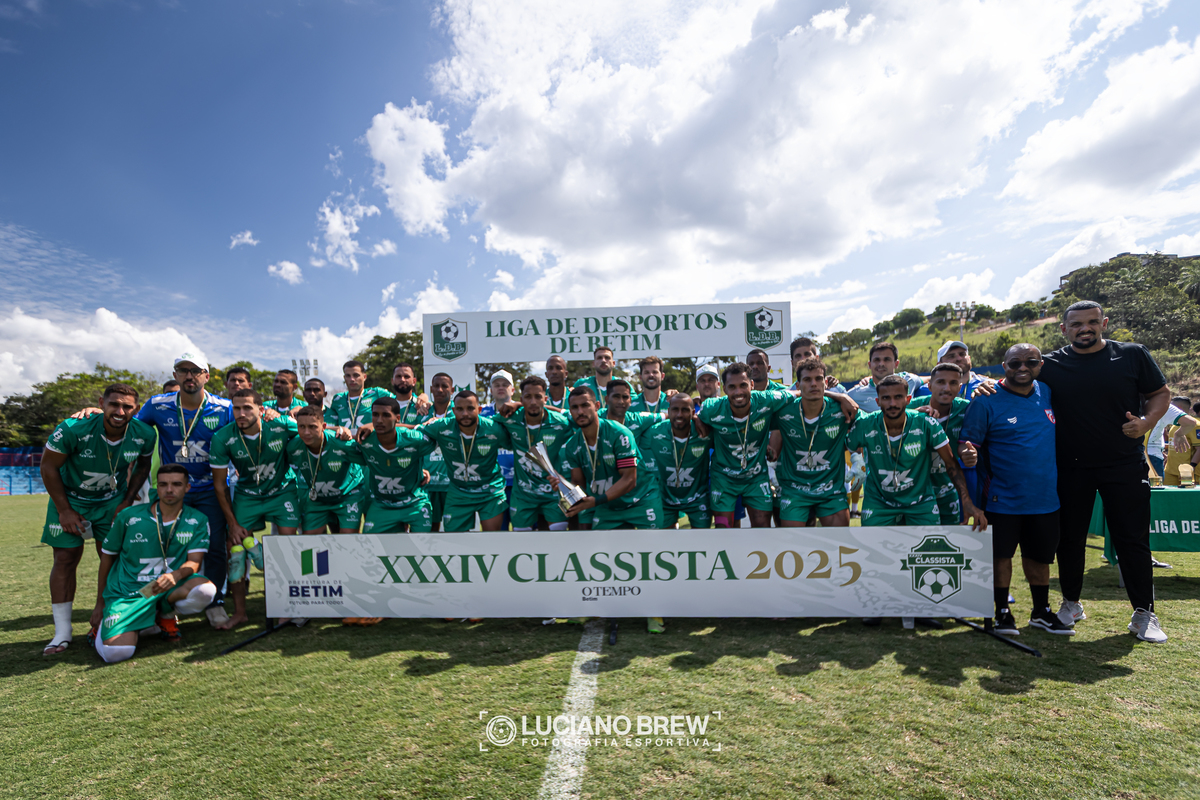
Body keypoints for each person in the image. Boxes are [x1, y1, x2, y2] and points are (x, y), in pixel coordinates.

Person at [1037, 301, 1171, 643]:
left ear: (1104, 323)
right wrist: (987, 386)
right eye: (1077, 324)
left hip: (1124, 465)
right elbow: (1015, 381)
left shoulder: (1132, 355)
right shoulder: (1049, 365)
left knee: (1132, 540)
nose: (1085, 328)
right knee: (1070, 539)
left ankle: (1144, 614)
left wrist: (1146, 422)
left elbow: (1159, 393)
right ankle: (1071, 604)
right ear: (1064, 329)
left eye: (1092, 322)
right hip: (1070, 467)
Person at [846, 374, 987, 628]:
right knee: (875, 552)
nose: (892, 403)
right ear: (877, 401)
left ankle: (923, 607)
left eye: (898, 397)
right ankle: (877, 605)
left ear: (908, 399)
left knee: (928, 553)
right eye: (886, 398)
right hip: (879, 500)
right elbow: (843, 447)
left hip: (920, 499)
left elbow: (951, 464)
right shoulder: (865, 425)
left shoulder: (925, 423)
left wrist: (966, 500)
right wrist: (856, 462)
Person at [960, 344, 1073, 635]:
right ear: (1004, 366)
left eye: (1030, 362)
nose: (1022, 368)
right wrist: (967, 453)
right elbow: (968, 443)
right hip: (1001, 498)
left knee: (1040, 557)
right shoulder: (985, 399)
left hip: (1045, 498)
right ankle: (1002, 612)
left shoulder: (1047, 392)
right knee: (1001, 557)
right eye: (1015, 363)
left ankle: (1041, 611)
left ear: (1040, 365)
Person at [39, 384, 156, 655]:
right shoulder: (73, 428)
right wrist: (64, 510)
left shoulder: (144, 433)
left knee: (112, 558)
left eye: (127, 406)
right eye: (114, 404)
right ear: (102, 403)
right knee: (65, 558)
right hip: (70, 500)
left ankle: (109, 617)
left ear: (136, 410)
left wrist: (126, 501)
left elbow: (143, 466)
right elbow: (48, 466)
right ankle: (62, 632)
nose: (120, 411)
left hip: (110, 502)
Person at [558, 385, 665, 632]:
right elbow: (579, 483)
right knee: (599, 555)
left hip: (641, 499)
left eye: (585, 405)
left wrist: (595, 501)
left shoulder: (619, 433)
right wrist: (565, 490)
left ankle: (654, 610)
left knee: (651, 554)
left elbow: (630, 480)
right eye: (574, 407)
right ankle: (592, 605)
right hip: (607, 503)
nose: (580, 411)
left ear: (597, 406)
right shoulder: (572, 446)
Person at [90, 465, 216, 663]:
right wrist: (100, 603)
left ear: (187, 488)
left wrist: (175, 575)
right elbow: (107, 557)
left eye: (176, 484)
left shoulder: (197, 519)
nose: (169, 490)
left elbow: (194, 562)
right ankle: (105, 627)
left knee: (205, 591)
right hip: (131, 591)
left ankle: (163, 614)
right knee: (117, 653)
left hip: (165, 586)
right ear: (157, 488)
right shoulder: (129, 516)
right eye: (163, 484)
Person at [209, 389, 301, 630]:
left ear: (261, 410)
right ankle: (240, 613)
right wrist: (232, 523)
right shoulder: (222, 437)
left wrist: (340, 430)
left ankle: (288, 606)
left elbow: (315, 430)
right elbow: (219, 485)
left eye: (247, 408)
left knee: (287, 547)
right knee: (235, 550)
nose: (241, 413)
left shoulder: (280, 425)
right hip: (247, 496)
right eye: (236, 408)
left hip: (282, 492)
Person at [693, 363, 792, 528]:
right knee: (724, 528)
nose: (738, 392)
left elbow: (800, 393)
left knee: (762, 526)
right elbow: (690, 413)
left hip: (755, 477)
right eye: (732, 387)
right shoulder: (711, 408)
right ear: (724, 389)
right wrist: (695, 417)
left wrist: (836, 395)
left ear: (752, 385)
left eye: (743, 385)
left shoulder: (766, 399)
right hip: (724, 479)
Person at [772, 358, 858, 528]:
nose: (813, 384)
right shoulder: (783, 411)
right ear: (798, 385)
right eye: (807, 379)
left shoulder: (841, 410)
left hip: (831, 491)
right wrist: (769, 464)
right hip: (795, 490)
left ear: (825, 383)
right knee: (792, 540)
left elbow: (873, 422)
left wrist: (857, 457)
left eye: (818, 379)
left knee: (839, 540)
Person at [419, 390, 510, 532]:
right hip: (458, 491)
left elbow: (518, 444)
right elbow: (410, 438)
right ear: (454, 410)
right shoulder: (441, 426)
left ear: (479, 410)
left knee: (492, 538)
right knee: (455, 541)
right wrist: (419, 468)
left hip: (489, 491)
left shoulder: (493, 428)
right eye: (460, 409)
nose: (465, 414)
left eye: (470, 408)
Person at [493, 376, 573, 531]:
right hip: (523, 494)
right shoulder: (509, 419)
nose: (533, 402)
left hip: (554, 493)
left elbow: (580, 419)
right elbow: (484, 424)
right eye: (528, 397)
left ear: (545, 399)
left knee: (560, 535)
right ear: (521, 399)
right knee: (522, 539)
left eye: (538, 397)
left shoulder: (560, 423)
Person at [357, 397, 435, 532]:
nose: (379, 420)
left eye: (386, 415)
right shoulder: (364, 441)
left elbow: (440, 434)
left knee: (425, 543)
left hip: (414, 503)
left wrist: (419, 471)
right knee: (369, 543)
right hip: (382, 505)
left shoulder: (414, 439)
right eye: (375, 415)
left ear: (397, 418)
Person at [907, 363, 971, 525]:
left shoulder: (967, 409)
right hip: (912, 491)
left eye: (953, 383)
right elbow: (880, 421)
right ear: (929, 386)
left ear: (960, 387)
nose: (947, 388)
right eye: (941, 382)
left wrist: (970, 454)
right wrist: (913, 417)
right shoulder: (911, 407)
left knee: (946, 538)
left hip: (947, 489)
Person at [288, 406, 364, 534]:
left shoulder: (342, 443)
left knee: (349, 538)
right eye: (301, 427)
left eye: (312, 427)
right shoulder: (293, 447)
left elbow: (370, 458)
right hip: (317, 499)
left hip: (347, 496)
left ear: (323, 426)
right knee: (310, 539)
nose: (306, 432)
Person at [645, 393, 713, 530]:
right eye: (675, 409)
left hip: (698, 497)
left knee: (702, 540)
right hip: (665, 498)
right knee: (665, 540)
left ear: (693, 413)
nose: (679, 414)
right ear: (668, 411)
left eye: (685, 410)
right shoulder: (654, 433)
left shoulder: (704, 432)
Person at [417, 373, 455, 531]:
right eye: (436, 386)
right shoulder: (422, 412)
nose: (440, 389)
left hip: (452, 484)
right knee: (430, 533)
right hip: (427, 483)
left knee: (456, 532)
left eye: (444, 386)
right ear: (431, 388)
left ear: (452, 390)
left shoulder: (459, 411)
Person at [480, 370, 517, 526]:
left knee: (524, 533)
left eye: (505, 385)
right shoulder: (482, 413)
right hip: (493, 484)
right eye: (496, 385)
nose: (501, 388)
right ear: (491, 390)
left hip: (520, 483)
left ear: (512, 390)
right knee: (497, 534)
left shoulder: (522, 411)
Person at [846, 342, 924, 413]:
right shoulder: (856, 394)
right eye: (877, 360)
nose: (881, 364)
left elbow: (929, 380)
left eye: (887, 359)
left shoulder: (908, 379)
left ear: (896, 364)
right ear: (870, 365)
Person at [328, 360, 393, 433]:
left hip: (371, 439)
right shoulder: (337, 399)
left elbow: (400, 405)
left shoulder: (377, 393)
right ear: (344, 377)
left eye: (356, 375)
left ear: (364, 377)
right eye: (348, 376)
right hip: (345, 440)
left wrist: (373, 425)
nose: (352, 379)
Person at [912, 342, 994, 399]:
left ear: (969, 358)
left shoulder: (986, 385)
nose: (958, 358)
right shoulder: (923, 391)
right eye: (951, 356)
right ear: (939, 365)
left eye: (962, 354)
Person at [1144, 395, 1196, 478]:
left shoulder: (1123, 402)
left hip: (1125, 455)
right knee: (1153, 486)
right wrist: (1179, 433)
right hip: (1152, 456)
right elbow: (1190, 422)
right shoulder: (1161, 405)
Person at [390, 362, 430, 427]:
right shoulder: (386, 406)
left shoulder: (422, 405)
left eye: (406, 376)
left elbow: (426, 429)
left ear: (414, 381)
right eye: (398, 376)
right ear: (392, 381)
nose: (402, 380)